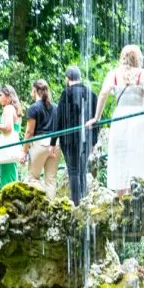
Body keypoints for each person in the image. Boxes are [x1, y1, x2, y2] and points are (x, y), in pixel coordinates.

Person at [87, 44, 144, 195]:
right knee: (139, 156)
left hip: (119, 118)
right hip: (139, 117)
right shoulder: (143, 74)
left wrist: (96, 118)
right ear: (138, 58)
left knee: (121, 157)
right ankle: (139, 197)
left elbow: (104, 93)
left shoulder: (113, 74)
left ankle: (121, 202)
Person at [49, 66, 98, 206]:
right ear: (80, 78)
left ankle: (76, 203)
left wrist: (53, 142)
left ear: (67, 78)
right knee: (82, 170)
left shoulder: (66, 93)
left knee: (73, 171)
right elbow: (96, 120)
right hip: (86, 138)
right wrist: (94, 141)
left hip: (69, 139)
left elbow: (58, 119)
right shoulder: (91, 94)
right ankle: (84, 202)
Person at [22, 79, 61, 199]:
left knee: (33, 178)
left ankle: (37, 209)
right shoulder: (55, 107)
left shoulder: (33, 108)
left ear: (34, 91)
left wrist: (24, 151)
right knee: (51, 180)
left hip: (40, 144)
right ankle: (50, 208)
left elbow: (29, 132)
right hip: (55, 145)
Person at [0, 85, 23, 188]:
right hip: (13, 144)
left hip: (7, 146)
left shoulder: (8, 108)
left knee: (7, 176)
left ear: (8, 96)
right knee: (11, 172)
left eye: (0, 95)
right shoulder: (14, 109)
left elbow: (8, 128)